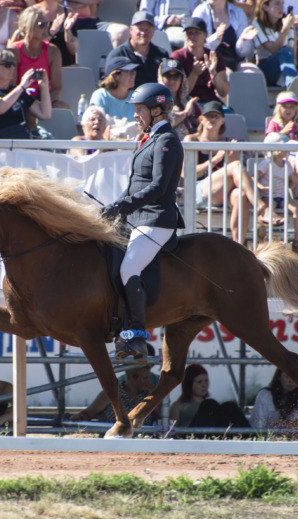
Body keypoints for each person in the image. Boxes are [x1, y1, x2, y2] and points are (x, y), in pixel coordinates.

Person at [99, 83, 184, 362]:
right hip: (137, 217)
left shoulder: (167, 141)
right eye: (135, 111)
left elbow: (159, 187)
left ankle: (135, 336)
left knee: (129, 267)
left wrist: (123, 205)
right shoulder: (148, 139)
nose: (136, 116)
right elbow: (136, 185)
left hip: (157, 219)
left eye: (139, 111)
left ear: (157, 111)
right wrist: (114, 207)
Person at [186, 100, 280, 242]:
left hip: (221, 192)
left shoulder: (229, 141)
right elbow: (186, 173)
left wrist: (231, 158)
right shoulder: (192, 139)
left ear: (223, 120)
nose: (212, 119)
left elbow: (234, 176)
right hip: (197, 190)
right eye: (209, 116)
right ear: (201, 119)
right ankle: (261, 207)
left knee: (240, 194)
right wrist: (215, 160)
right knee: (236, 166)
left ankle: (239, 247)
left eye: (216, 116)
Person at [0, 48, 51, 139]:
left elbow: (44, 114)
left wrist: (44, 87)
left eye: (13, 64)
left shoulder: (18, 91)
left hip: (18, 143)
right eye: (7, 65)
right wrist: (21, 86)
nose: (12, 68)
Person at [8, 6, 66, 108]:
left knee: (63, 107)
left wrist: (41, 104)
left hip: (44, 97)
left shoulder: (53, 51)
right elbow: (11, 86)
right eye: (40, 25)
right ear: (25, 28)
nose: (45, 28)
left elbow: (57, 89)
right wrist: (31, 105)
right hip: (21, 97)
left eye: (46, 24)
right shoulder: (14, 50)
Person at [69, 364, 160, 426]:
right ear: (132, 378)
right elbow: (88, 413)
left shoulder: (150, 394)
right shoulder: (111, 394)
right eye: (145, 378)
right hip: (111, 440)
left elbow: (162, 417)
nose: (149, 382)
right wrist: (79, 418)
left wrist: (153, 399)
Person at [168, 17, 229, 105]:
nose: (192, 36)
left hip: (210, 103)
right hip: (187, 103)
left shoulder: (214, 56)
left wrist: (213, 72)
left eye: (197, 33)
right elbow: (180, 93)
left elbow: (223, 92)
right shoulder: (178, 57)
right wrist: (194, 74)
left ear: (205, 35)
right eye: (189, 33)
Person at [255, 132, 298, 241]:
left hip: (282, 196)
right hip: (268, 195)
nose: (288, 150)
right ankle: (261, 233)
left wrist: (296, 181)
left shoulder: (288, 164)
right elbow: (253, 178)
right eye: (285, 147)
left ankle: (297, 238)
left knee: (297, 207)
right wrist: (260, 187)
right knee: (269, 206)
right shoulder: (266, 163)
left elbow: (291, 183)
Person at [169, 363, 249, 429]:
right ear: (189, 384)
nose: (204, 385)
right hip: (191, 436)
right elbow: (172, 431)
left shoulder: (212, 405)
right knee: (209, 404)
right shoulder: (178, 406)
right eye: (199, 382)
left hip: (213, 432)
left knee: (229, 406)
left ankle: (250, 437)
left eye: (206, 381)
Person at [107, 11, 171, 88]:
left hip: (155, 98)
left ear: (153, 31)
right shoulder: (118, 55)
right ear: (131, 30)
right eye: (140, 29)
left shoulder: (162, 54)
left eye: (147, 29)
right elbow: (110, 84)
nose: (143, 33)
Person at [191, 0, 257, 71]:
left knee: (254, 74)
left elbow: (243, 53)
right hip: (210, 62)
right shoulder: (200, 12)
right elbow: (198, 47)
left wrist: (243, 40)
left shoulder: (238, 13)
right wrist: (216, 38)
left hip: (234, 61)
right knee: (228, 74)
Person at [252, 0, 298, 88]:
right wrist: (285, 29)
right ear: (265, 7)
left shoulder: (286, 21)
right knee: (284, 51)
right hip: (265, 70)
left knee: (287, 51)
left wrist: (292, 30)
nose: (281, 7)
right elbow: (273, 50)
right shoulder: (257, 23)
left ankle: (294, 79)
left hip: (284, 70)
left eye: (282, 3)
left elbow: (292, 50)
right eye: (277, 3)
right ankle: (293, 83)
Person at [88, 56, 138, 126]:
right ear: (115, 75)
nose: (133, 75)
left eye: (134, 72)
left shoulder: (136, 97)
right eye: (128, 72)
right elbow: (96, 125)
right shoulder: (100, 95)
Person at [157, 59, 199, 139]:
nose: (172, 80)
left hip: (189, 148)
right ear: (161, 78)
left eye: (176, 77)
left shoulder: (188, 101)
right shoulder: (157, 101)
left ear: (181, 79)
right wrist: (186, 112)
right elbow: (163, 124)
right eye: (168, 76)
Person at [30, 0, 79, 67]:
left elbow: (73, 50)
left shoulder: (68, 12)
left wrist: (67, 31)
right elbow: (32, 47)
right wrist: (52, 31)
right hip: (40, 64)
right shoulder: (33, 12)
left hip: (64, 65)